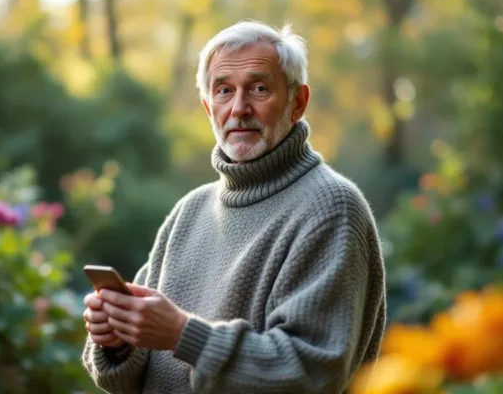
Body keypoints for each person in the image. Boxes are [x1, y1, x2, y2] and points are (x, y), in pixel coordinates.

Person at [80, 20, 387, 394]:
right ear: (209, 106)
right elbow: (130, 379)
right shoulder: (189, 211)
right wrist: (117, 339)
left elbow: (311, 373)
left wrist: (181, 334)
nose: (239, 108)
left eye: (259, 88)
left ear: (298, 102)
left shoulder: (331, 206)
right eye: (224, 91)